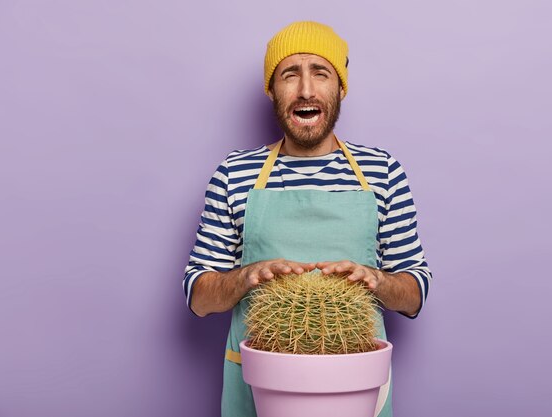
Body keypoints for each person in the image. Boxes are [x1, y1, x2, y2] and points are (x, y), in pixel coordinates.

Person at [183, 21, 432, 417]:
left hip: (356, 386)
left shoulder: (383, 170)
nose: (305, 89)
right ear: (272, 90)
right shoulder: (234, 173)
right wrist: (245, 276)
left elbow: (415, 292)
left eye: (321, 72)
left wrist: (378, 279)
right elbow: (197, 296)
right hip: (258, 385)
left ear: (340, 87)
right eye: (289, 74)